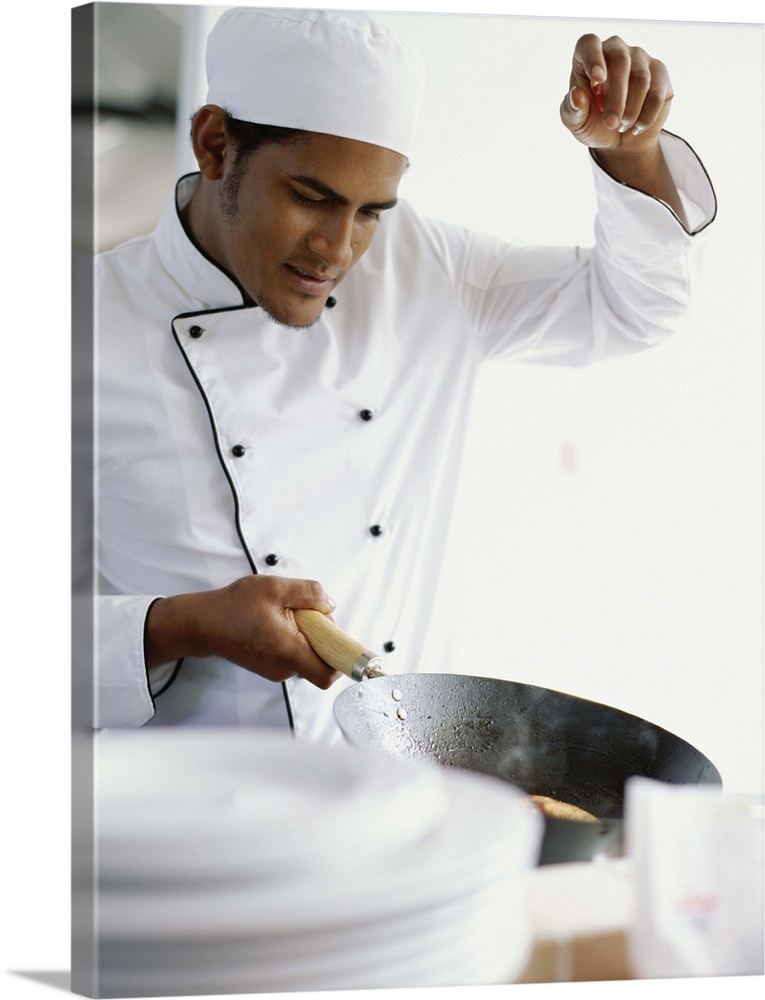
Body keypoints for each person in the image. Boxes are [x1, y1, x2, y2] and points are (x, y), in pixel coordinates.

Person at [93, 7, 716, 741]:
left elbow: (634, 308)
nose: (336, 248)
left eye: (370, 212)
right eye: (311, 198)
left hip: (400, 786)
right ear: (214, 144)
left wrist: (630, 155)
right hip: (188, 813)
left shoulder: (426, 270)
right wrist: (179, 625)